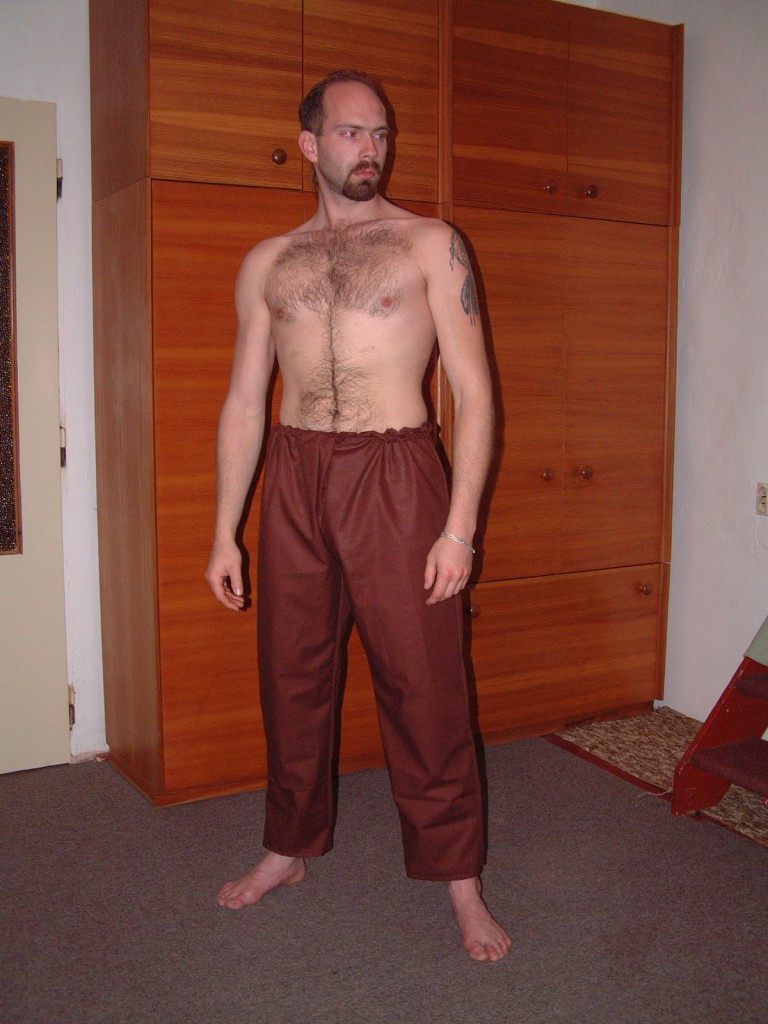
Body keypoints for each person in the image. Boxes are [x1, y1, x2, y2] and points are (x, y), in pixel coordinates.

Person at [205, 69, 511, 963]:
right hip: (295, 473)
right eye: (350, 132)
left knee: (425, 683)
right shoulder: (269, 262)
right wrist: (224, 529)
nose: (370, 148)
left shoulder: (429, 244)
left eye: (380, 132)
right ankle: (288, 846)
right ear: (310, 144)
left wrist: (459, 527)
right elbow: (243, 403)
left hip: (396, 470)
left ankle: (460, 878)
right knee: (291, 675)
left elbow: (475, 394)